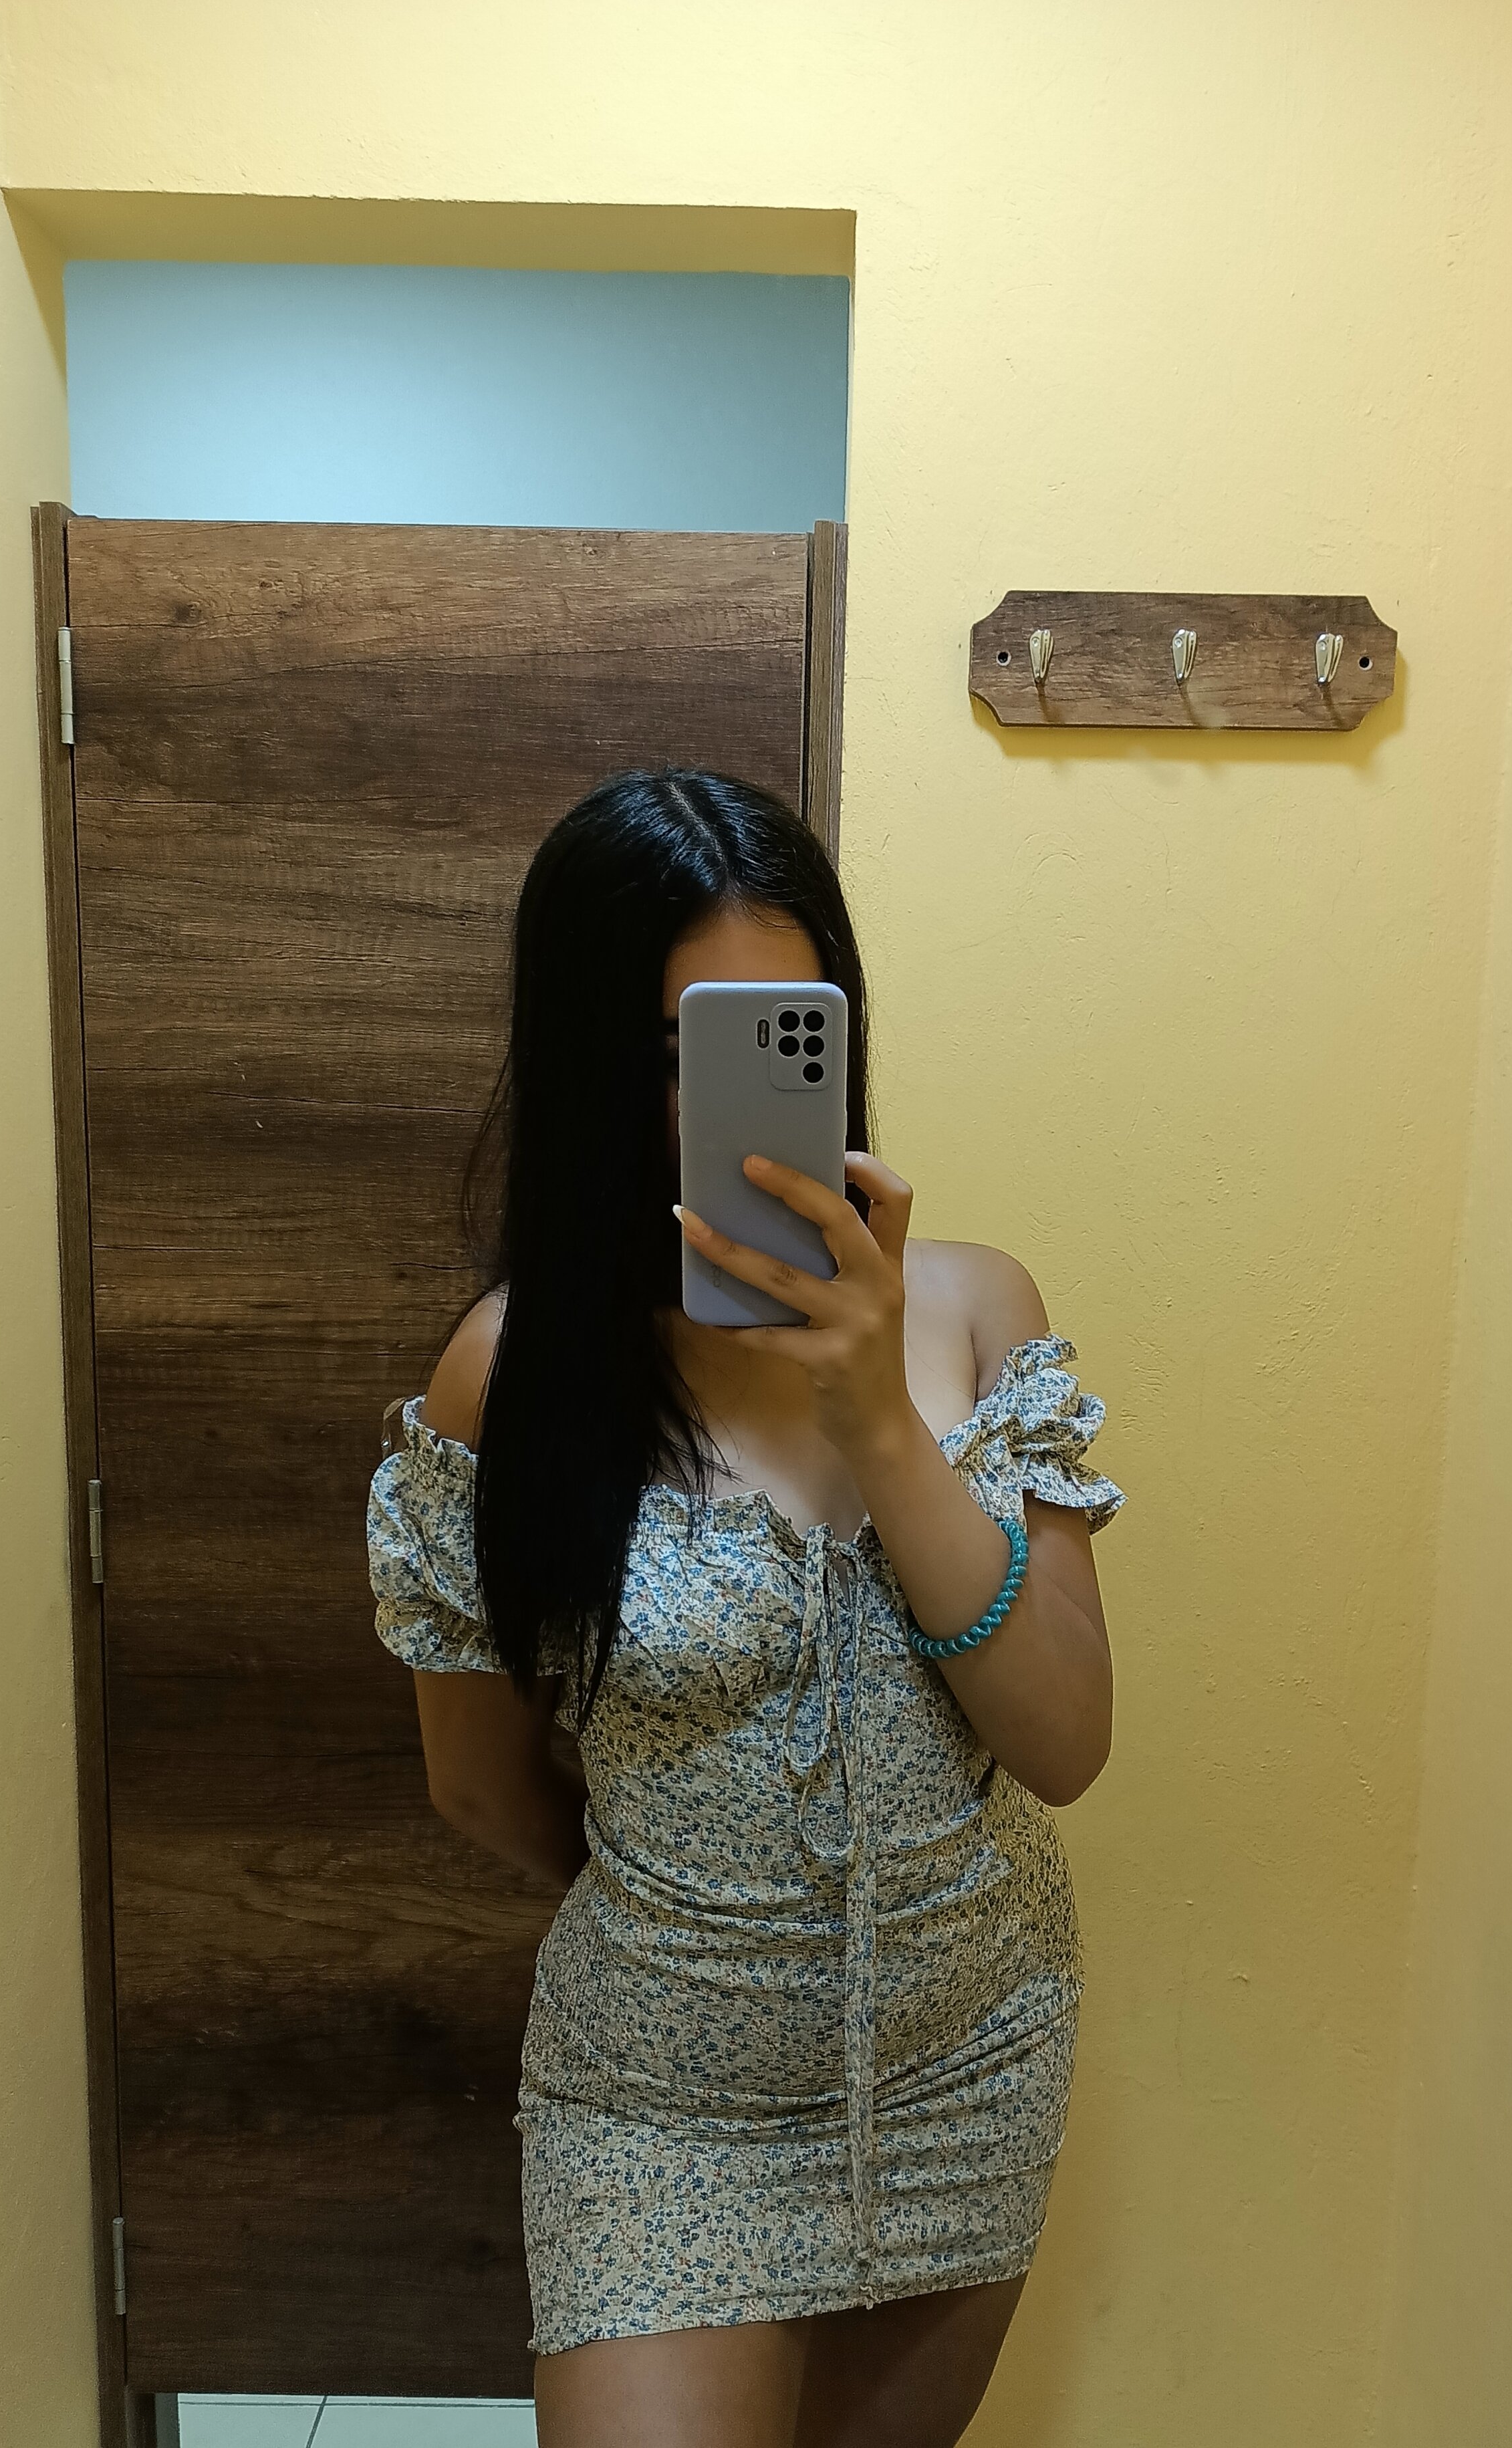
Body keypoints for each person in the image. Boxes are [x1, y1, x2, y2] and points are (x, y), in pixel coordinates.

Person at [366, 769, 1121, 2448]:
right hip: (660, 2101)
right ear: (587, 1065)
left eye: (791, 1029)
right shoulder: (513, 1374)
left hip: (966, 2062)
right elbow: (477, 1782)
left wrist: (879, 1416)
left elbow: (1065, 1742)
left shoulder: (976, 1314)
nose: (740, 1102)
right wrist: (707, 1917)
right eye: (677, 1053)